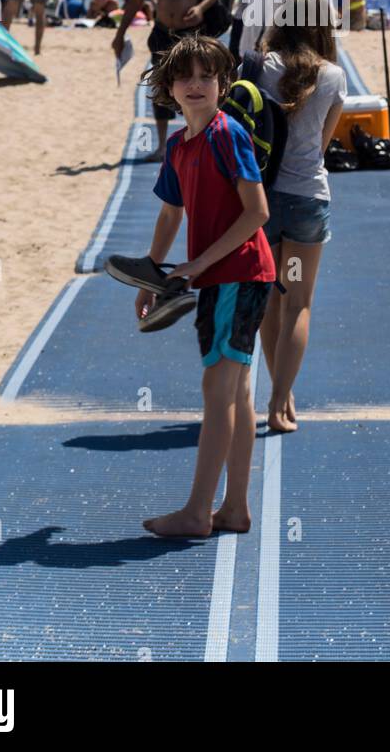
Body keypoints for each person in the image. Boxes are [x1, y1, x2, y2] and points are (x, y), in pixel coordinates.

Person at [105, 35, 276, 537]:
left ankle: (198, 512)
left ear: (224, 85)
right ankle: (234, 509)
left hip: (240, 275)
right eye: (186, 77)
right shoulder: (179, 146)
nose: (196, 84)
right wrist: (150, 276)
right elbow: (169, 213)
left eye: (207, 76)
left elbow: (258, 212)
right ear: (169, 88)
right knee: (237, 392)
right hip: (221, 278)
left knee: (216, 390)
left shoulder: (228, 135)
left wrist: (199, 262)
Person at [253, 0, 346, 432]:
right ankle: (278, 401)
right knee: (299, 304)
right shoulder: (334, 76)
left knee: (271, 302)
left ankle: (280, 393)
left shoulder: (258, 67)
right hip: (307, 197)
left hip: (262, 201)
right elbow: (322, 148)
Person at [112, 0, 222, 160]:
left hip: (191, 36)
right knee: (161, 88)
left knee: (195, 87)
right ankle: (162, 147)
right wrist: (120, 34)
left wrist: (200, 8)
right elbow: (135, 0)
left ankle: (200, 140)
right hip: (163, 33)